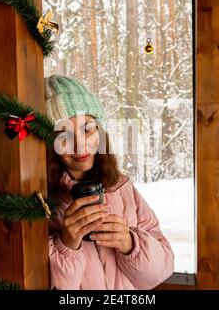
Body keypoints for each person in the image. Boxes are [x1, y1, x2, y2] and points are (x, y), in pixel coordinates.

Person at [45, 75, 174, 290]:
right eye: (64, 136)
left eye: (87, 129)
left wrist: (130, 244)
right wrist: (66, 245)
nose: (81, 146)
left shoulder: (121, 186)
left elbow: (164, 267)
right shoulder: (38, 202)